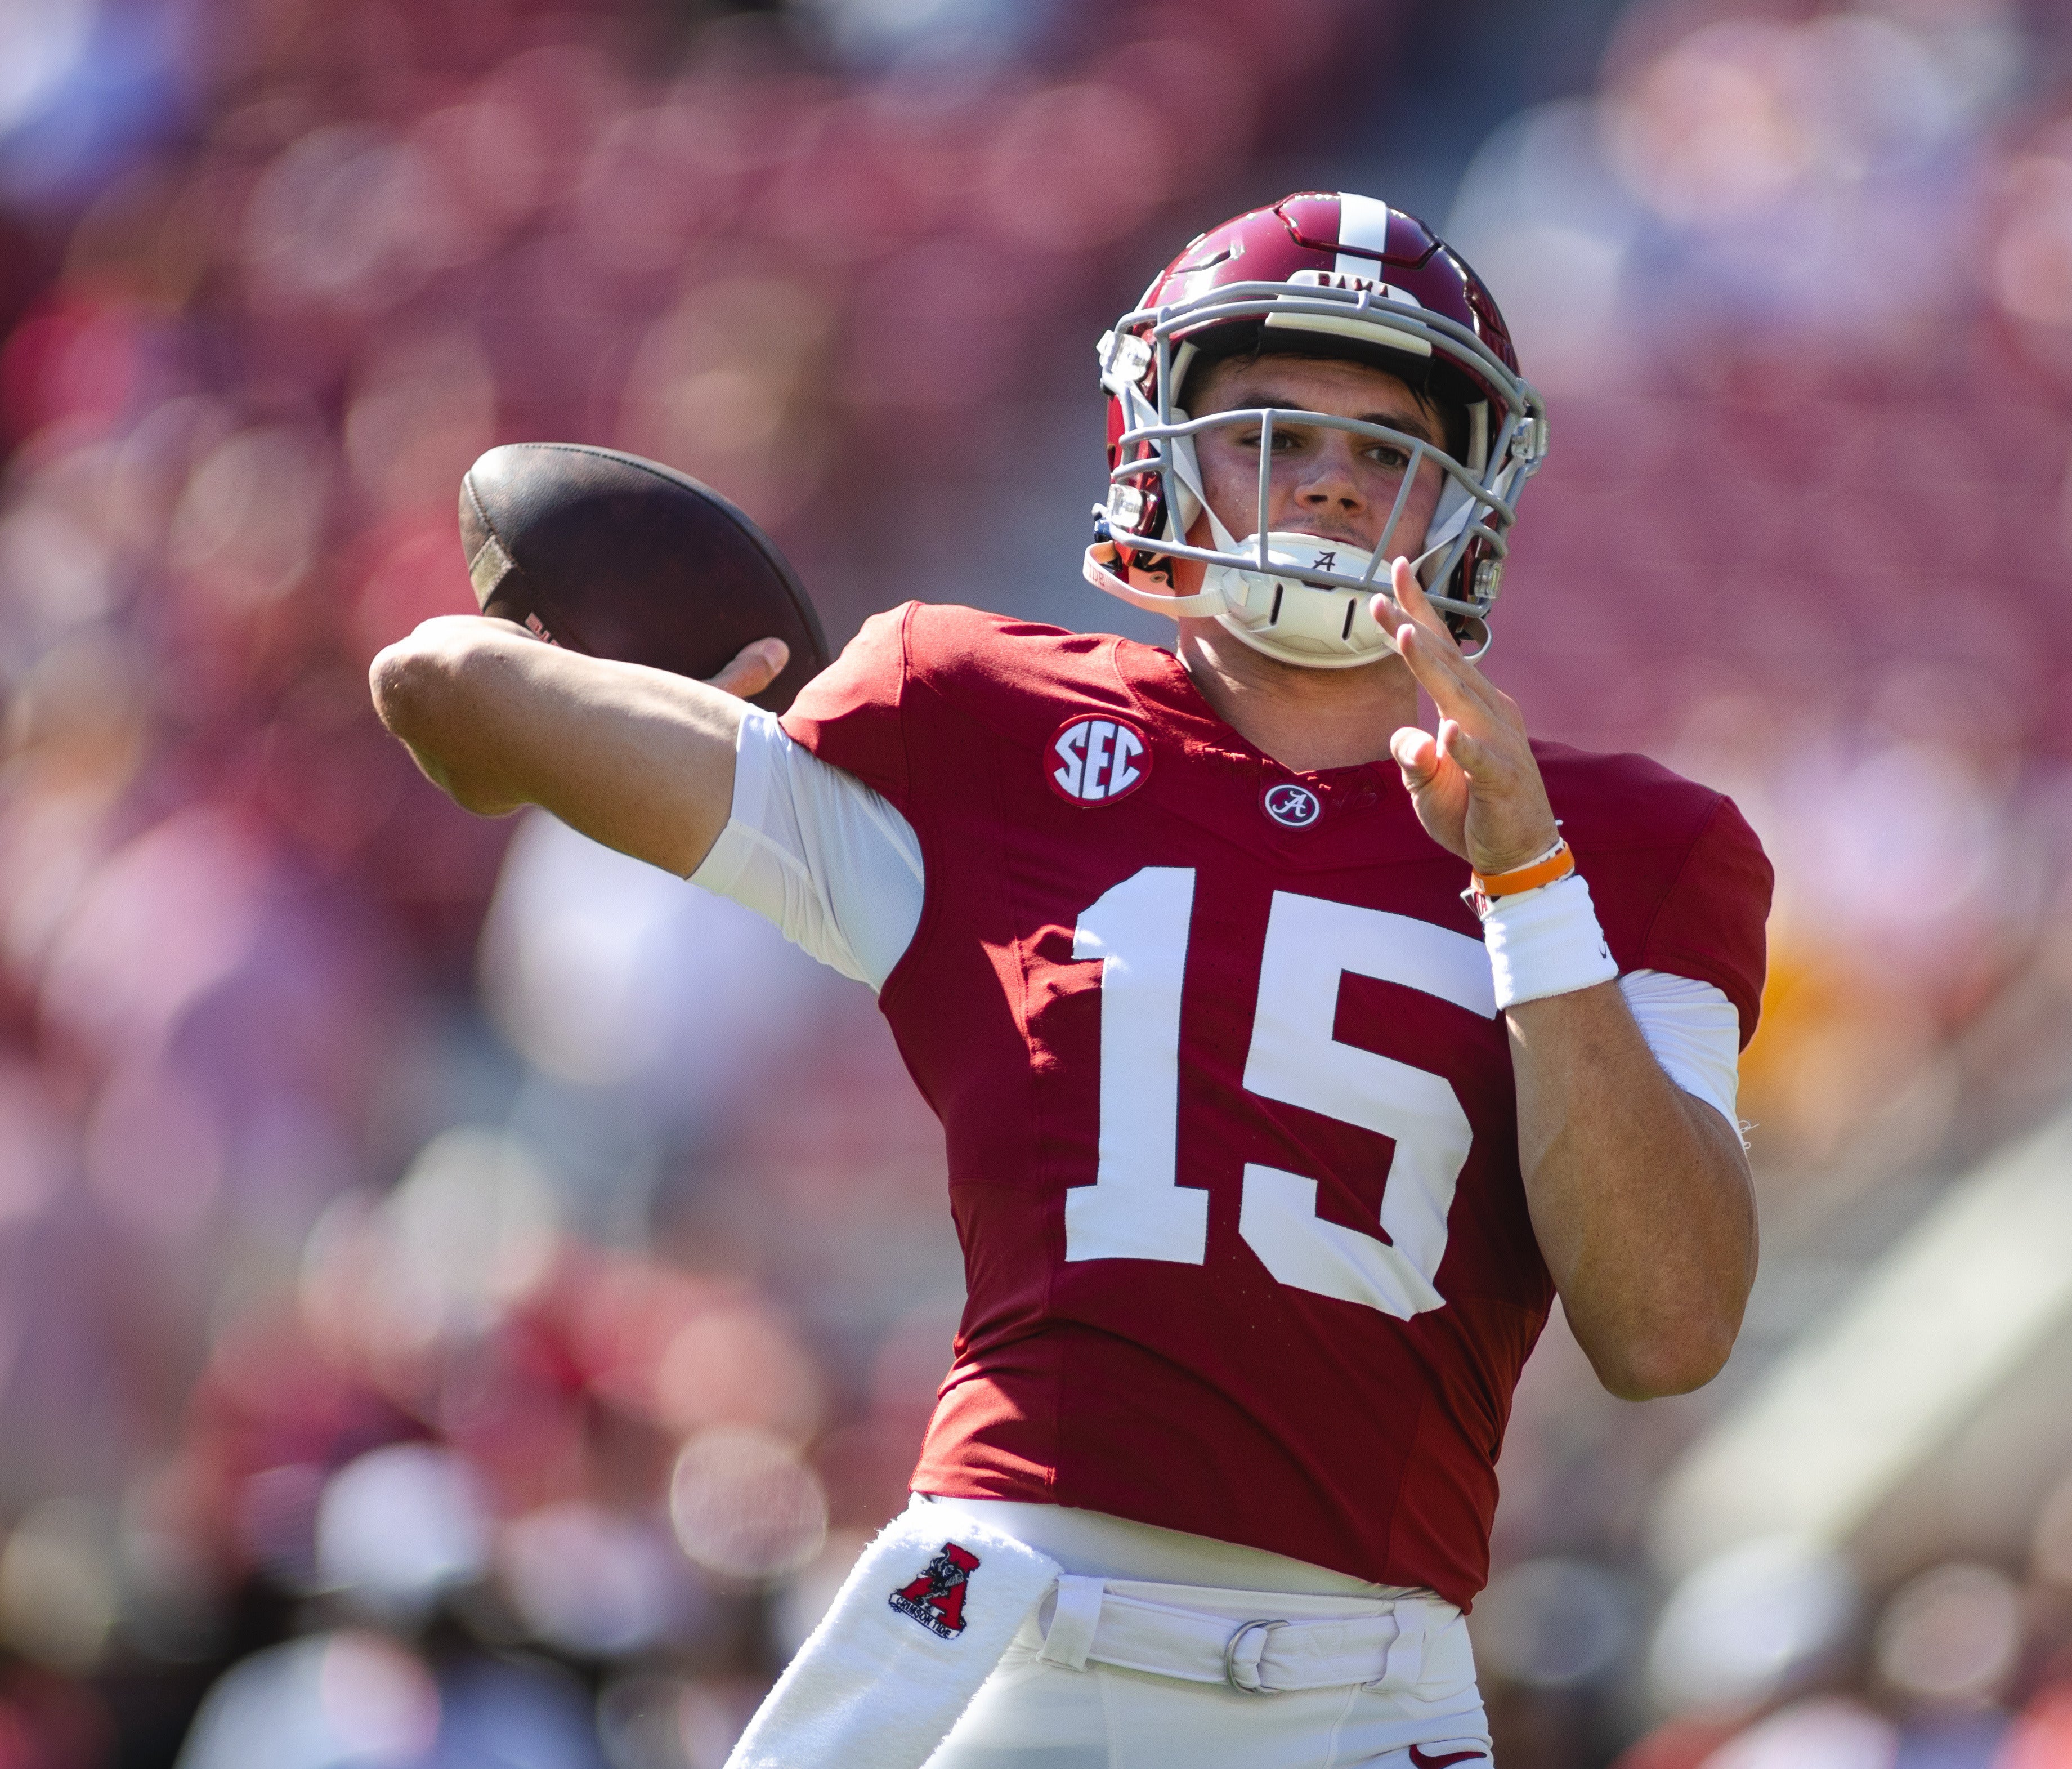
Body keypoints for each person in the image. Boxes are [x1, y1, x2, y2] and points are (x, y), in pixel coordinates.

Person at [372, 192, 1774, 1767]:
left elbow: (1666, 1326)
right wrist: (577, 686)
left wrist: (1527, 880)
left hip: (1369, 1682)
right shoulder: (983, 721)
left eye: (1384, 449)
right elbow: (450, 687)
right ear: (1155, 437)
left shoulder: (1633, 842)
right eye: (1269, 428)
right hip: (999, 1617)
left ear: (1462, 499)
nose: (1325, 479)